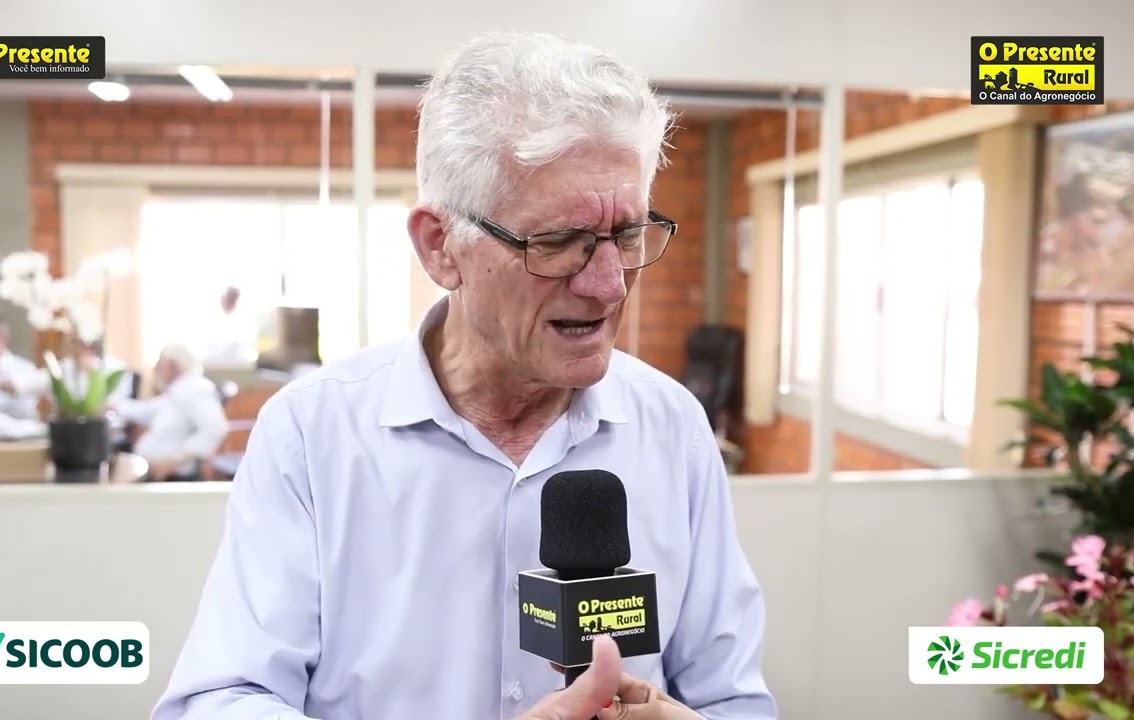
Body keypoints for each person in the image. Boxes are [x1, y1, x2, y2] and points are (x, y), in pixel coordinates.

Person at [153, 31, 775, 720]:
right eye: (558, 242)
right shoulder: (313, 434)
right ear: (440, 246)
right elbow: (224, 699)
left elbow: (733, 700)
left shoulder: (673, 428)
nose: (608, 285)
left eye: (627, 235)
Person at [111, 344, 228, 481]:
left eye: (160, 363)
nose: (155, 370)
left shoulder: (194, 389)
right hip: (152, 471)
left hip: (171, 476)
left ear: (173, 365)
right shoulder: (178, 389)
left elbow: (216, 428)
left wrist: (174, 460)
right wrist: (114, 407)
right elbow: (149, 410)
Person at [200, 285, 259, 366]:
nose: (230, 302)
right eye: (229, 298)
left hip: (238, 366)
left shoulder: (245, 322)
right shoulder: (210, 319)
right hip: (213, 365)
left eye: (233, 299)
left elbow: (247, 350)